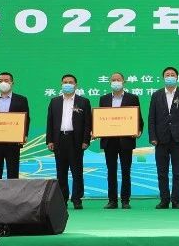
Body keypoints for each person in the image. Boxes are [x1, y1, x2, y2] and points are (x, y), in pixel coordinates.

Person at [148, 66, 179, 210]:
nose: (170, 77)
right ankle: (164, 200)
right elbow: (151, 117)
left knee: (177, 172)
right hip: (160, 139)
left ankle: (176, 200)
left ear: (177, 77)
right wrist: (153, 136)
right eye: (167, 75)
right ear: (163, 78)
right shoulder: (156, 95)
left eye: (172, 74)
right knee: (162, 172)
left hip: (178, 139)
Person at [45, 74, 92, 209]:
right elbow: (50, 122)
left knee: (77, 171)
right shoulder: (55, 101)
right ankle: (62, 199)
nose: (67, 84)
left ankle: (77, 199)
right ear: (61, 84)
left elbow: (87, 123)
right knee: (61, 172)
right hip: (59, 139)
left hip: (76, 140)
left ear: (75, 85)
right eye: (65, 82)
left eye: (70, 82)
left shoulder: (83, 102)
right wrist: (50, 140)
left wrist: (86, 140)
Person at [98, 72, 141, 209]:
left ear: (124, 82)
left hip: (126, 140)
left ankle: (125, 200)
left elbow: (138, 118)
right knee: (111, 171)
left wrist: (138, 130)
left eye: (118, 79)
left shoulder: (132, 98)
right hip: (109, 141)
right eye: (113, 80)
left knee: (126, 171)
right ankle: (112, 200)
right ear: (110, 82)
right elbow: (100, 119)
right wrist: (97, 130)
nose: (116, 82)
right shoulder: (104, 99)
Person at [0, 71, 29, 180]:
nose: (3, 83)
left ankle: (13, 192)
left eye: (6, 80)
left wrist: (24, 135)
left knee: (13, 173)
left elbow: (26, 119)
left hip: (13, 143)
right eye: (0, 81)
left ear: (12, 83)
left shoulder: (21, 99)